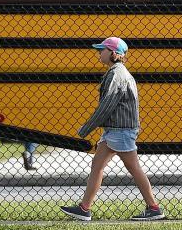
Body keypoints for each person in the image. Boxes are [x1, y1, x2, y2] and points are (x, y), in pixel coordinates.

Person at [60, 37, 165, 221]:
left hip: (120, 130)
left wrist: (86, 128)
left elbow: (106, 105)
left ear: (114, 53)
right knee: (98, 166)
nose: (99, 53)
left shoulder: (117, 74)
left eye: (102, 49)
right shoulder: (116, 72)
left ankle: (154, 208)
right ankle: (84, 209)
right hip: (115, 129)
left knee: (133, 168)